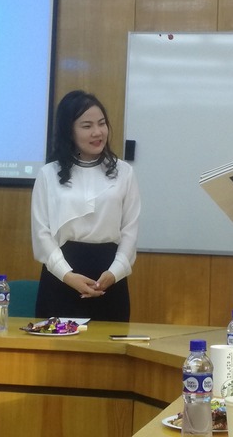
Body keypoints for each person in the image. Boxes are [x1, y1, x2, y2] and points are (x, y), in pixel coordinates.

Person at [31, 90, 141, 321]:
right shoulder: (48, 174)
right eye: (87, 126)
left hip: (109, 278)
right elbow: (42, 233)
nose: (97, 132)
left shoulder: (124, 172)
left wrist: (115, 272)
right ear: (69, 131)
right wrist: (67, 275)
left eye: (102, 123)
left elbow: (130, 231)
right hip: (61, 277)